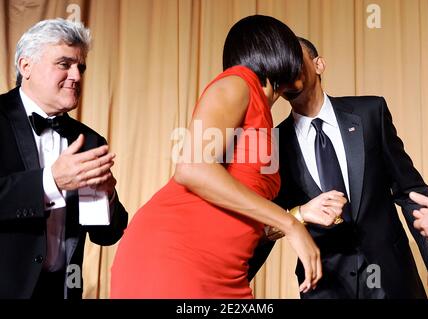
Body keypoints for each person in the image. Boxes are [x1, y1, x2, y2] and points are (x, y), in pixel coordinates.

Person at [111, 15, 347, 299]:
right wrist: (291, 225)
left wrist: (300, 214)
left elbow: (243, 214)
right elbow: (193, 168)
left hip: (225, 270)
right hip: (177, 257)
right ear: (273, 49)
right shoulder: (238, 83)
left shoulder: (264, 121)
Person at [248, 37, 428, 298]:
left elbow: (410, 191)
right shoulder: (272, 143)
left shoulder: (370, 113)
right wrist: (233, 280)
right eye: (279, 63)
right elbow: (266, 219)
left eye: (293, 58)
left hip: (391, 277)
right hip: (324, 285)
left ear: (319, 64)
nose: (285, 67)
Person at [0, 18, 128, 299]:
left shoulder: (91, 141)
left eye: (80, 67)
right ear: (26, 66)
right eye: (64, 64)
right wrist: (51, 181)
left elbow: (106, 235)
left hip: (62, 291)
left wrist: (107, 198)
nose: (77, 76)